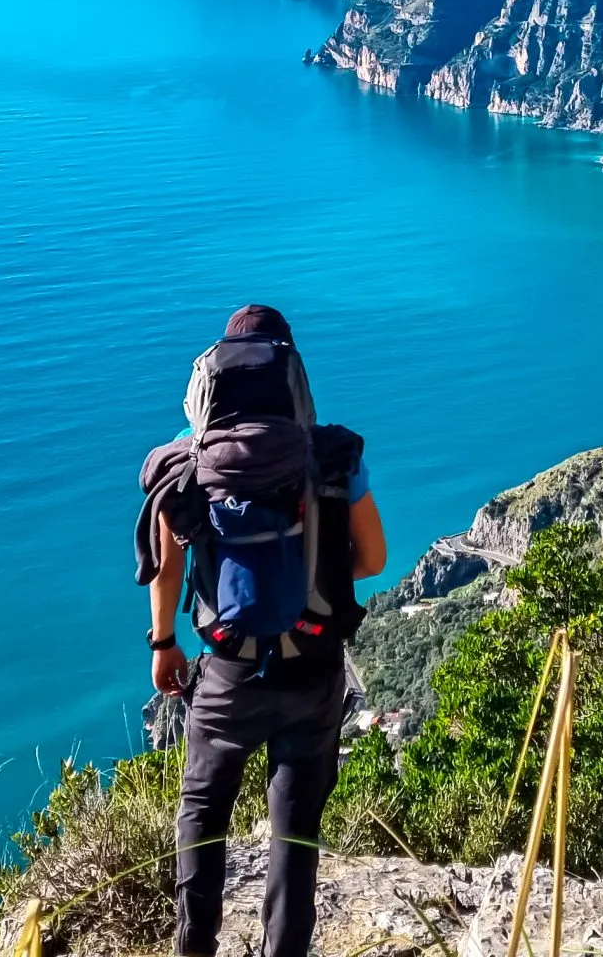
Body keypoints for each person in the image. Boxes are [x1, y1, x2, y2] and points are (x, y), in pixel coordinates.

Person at [142, 305, 386, 957]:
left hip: (227, 669)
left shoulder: (187, 463)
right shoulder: (332, 455)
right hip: (311, 667)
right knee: (294, 828)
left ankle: (194, 948)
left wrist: (164, 642)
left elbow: (167, 570)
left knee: (202, 809)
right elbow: (373, 560)